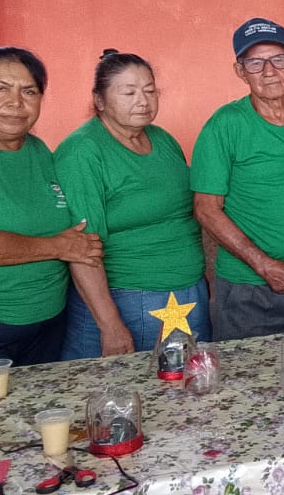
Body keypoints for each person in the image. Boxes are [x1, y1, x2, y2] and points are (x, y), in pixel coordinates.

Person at [191, 18, 284, 340]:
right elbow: (206, 209)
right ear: (240, 71)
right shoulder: (224, 125)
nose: (269, 71)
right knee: (247, 373)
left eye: (279, 59)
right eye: (255, 63)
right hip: (249, 292)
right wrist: (264, 266)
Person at [55, 50, 210, 359]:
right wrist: (110, 324)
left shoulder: (162, 139)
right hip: (127, 297)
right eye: (129, 92)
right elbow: (81, 248)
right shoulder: (82, 152)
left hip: (188, 294)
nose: (143, 100)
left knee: (188, 385)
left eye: (150, 91)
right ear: (99, 100)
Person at [0, 47, 103, 364]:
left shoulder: (39, 151)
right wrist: (58, 246)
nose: (15, 103)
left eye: (29, 91)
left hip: (50, 324)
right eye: (0, 88)